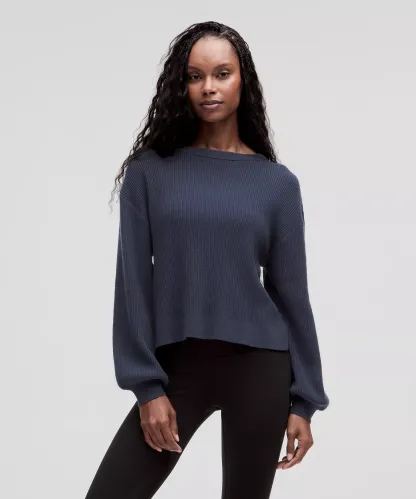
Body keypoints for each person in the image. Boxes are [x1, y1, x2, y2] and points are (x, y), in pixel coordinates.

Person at [85, 20, 329, 499]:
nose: (208, 87)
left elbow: (291, 295)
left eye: (221, 73)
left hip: (260, 366)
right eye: (195, 76)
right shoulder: (149, 173)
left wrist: (304, 400)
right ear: (181, 85)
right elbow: (132, 283)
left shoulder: (277, 184)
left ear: (243, 81)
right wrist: (148, 388)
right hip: (179, 365)